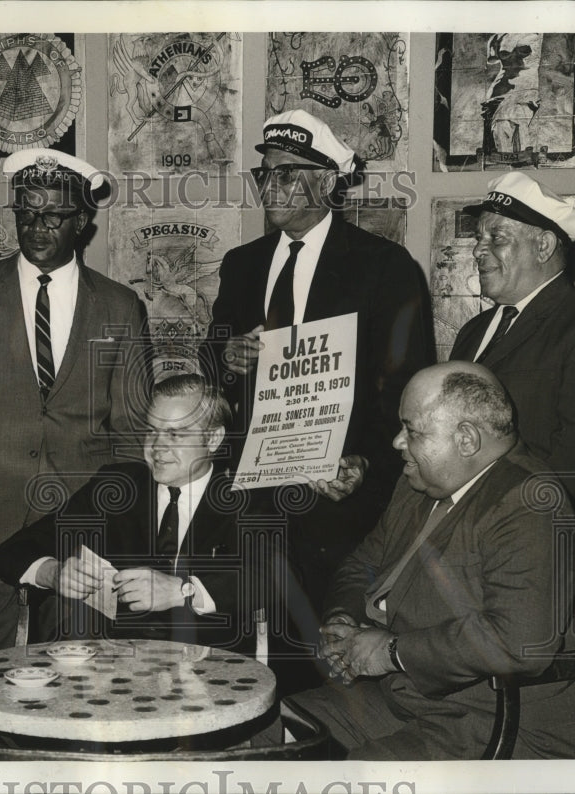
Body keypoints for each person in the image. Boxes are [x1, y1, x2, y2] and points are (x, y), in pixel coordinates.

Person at [291, 362, 575, 760]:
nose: (398, 442)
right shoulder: (416, 484)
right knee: (276, 727)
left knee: (360, 777)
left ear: (466, 439)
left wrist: (389, 652)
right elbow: (362, 564)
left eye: (412, 431)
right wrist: (343, 617)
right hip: (414, 699)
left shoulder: (531, 502)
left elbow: (520, 642)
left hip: (513, 720)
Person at [203, 108, 434, 617]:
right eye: (265, 173)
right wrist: (227, 356)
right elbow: (212, 360)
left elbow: (404, 388)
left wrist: (368, 463)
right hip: (251, 499)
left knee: (326, 644)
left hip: (337, 497)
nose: (270, 186)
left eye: (288, 174)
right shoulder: (242, 265)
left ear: (328, 180)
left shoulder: (384, 267)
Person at [0, 149, 150, 658]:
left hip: (85, 513)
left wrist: (118, 517)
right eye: (26, 213)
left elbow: (132, 432)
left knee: (82, 655)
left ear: (84, 221)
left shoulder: (119, 306)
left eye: (53, 215)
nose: (36, 227)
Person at [0, 374, 279, 656]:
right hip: (115, 668)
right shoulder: (116, 488)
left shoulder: (247, 498)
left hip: (213, 669)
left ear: (214, 438)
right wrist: (53, 573)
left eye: (175, 434)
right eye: (152, 431)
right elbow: (11, 552)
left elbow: (274, 576)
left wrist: (183, 591)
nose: (156, 447)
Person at [451, 171, 575, 513]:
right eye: (479, 237)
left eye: (497, 237)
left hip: (539, 543)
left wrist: (484, 524)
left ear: (544, 246)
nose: (478, 249)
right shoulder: (472, 332)